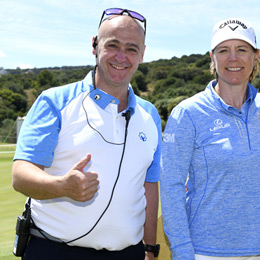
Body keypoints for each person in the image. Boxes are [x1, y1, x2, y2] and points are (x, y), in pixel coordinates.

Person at [12, 8, 161, 260]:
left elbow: (148, 185)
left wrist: (149, 248)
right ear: (95, 45)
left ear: (142, 54)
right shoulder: (54, 101)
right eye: (112, 45)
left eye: (132, 48)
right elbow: (20, 176)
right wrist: (61, 186)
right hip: (53, 251)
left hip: (129, 254)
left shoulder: (150, 114)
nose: (121, 56)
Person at [160, 18, 260, 260]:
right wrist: (182, 252)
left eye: (242, 49)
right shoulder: (187, 113)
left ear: (255, 57)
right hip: (204, 252)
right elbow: (171, 187)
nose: (233, 58)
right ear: (212, 58)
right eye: (224, 50)